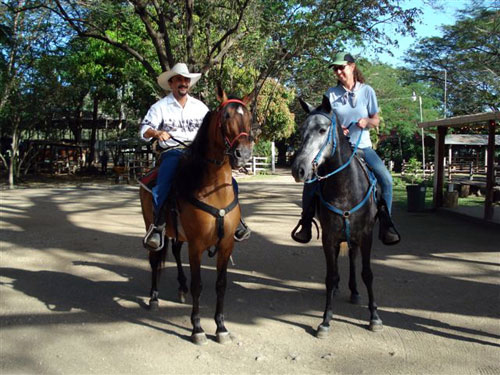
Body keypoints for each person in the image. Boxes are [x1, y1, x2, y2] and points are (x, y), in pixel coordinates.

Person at [292, 52, 400, 245]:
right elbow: (324, 119)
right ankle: (306, 223)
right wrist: (337, 128)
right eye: (335, 69)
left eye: (341, 67)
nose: (338, 71)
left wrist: (367, 121)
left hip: (363, 147)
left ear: (352, 66)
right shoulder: (331, 94)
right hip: (337, 150)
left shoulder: (367, 91)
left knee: (386, 180)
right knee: (311, 180)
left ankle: (387, 223)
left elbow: (376, 119)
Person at [140, 63, 251, 251]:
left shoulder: (199, 107)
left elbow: (213, 127)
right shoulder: (160, 106)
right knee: (164, 182)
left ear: (189, 84)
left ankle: (237, 221)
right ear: (171, 82)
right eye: (179, 80)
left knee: (231, 182)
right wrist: (157, 133)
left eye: (186, 80)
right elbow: (143, 130)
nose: (183, 83)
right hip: (173, 151)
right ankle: (158, 226)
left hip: (197, 152)